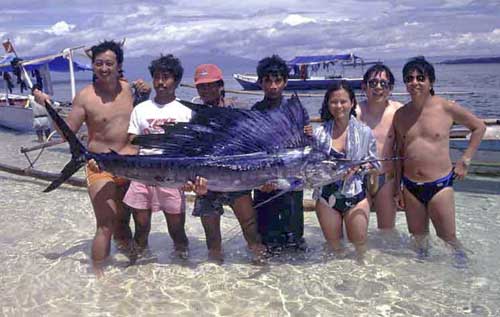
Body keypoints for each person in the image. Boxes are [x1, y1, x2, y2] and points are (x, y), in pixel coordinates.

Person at [33, 40, 151, 274]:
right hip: (100, 166)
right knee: (105, 224)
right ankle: (99, 279)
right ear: (93, 66)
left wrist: (148, 92)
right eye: (99, 64)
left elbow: (146, 119)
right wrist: (47, 105)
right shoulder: (85, 97)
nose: (104, 68)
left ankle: (136, 273)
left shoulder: (131, 91)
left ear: (119, 66)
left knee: (138, 222)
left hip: (132, 166)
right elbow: (67, 133)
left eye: (109, 63)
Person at [393, 57, 486, 255]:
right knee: (418, 239)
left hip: (440, 185)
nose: (414, 82)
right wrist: (398, 188)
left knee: (449, 239)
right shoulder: (401, 114)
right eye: (409, 78)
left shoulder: (446, 108)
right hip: (410, 187)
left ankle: (466, 276)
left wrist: (465, 160)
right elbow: (400, 153)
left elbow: (479, 127)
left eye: (420, 78)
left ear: (431, 82)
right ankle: (424, 280)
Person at [191, 64, 265, 262]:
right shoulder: (195, 115)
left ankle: (262, 268)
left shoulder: (238, 108)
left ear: (220, 86)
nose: (205, 90)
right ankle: (216, 278)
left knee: (251, 234)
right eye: (201, 87)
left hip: (236, 180)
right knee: (213, 242)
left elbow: (254, 142)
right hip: (207, 183)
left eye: (210, 85)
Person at [122, 54, 191, 259]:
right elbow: (132, 142)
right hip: (142, 175)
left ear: (176, 81)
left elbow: (190, 148)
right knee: (141, 229)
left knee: (177, 231)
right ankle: (136, 268)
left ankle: (184, 264)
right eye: (157, 77)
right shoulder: (140, 109)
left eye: (166, 77)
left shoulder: (186, 110)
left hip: (172, 176)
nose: (161, 82)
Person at [313, 81, 380, 258]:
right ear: (328, 104)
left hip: (356, 196)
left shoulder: (365, 132)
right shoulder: (318, 133)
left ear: (352, 103)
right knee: (334, 249)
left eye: (343, 101)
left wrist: (361, 167)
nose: (338, 106)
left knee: (360, 249)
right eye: (334, 102)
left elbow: (376, 165)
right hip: (326, 196)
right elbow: (310, 165)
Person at [251, 55, 310, 252]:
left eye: (278, 80)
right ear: (260, 83)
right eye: (268, 81)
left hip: (291, 186)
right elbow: (251, 149)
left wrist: (310, 135)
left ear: (285, 82)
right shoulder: (255, 111)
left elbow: (308, 148)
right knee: (267, 241)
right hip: (264, 184)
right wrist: (260, 181)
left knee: (294, 242)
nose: (273, 86)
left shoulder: (296, 110)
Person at [356, 64, 403, 230]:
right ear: (364, 86)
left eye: (383, 84)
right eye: (373, 83)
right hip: (360, 178)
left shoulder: (398, 110)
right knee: (357, 232)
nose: (378, 87)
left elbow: (422, 116)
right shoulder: (355, 111)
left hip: (387, 178)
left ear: (390, 88)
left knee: (387, 231)